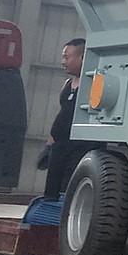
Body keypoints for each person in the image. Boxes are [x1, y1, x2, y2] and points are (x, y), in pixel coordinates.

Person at [40, 38, 88, 200]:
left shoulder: (94, 85)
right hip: (60, 147)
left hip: (80, 147)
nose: (63, 62)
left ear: (82, 57)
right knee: (52, 189)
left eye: (67, 57)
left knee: (69, 190)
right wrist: (49, 144)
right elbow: (63, 113)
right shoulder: (68, 84)